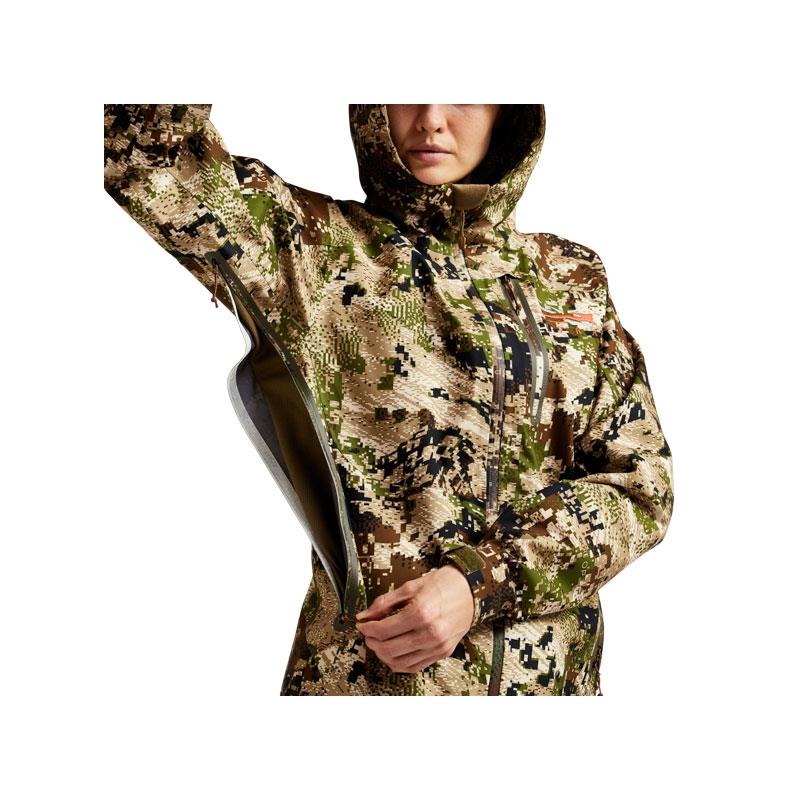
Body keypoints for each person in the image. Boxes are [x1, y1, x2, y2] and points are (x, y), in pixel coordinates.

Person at [103, 104, 675, 696]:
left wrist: (478, 583)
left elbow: (641, 486)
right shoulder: (309, 247)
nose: (431, 117)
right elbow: (144, 152)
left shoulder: (570, 278)